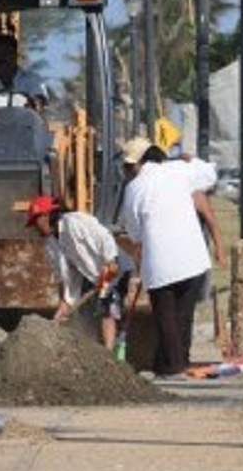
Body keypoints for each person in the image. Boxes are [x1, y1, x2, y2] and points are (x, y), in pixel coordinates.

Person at [119, 137, 218, 379]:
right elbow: (210, 175)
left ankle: (174, 366)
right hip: (192, 258)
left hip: (160, 263)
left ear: (140, 162)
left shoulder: (134, 189)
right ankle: (172, 363)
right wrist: (191, 159)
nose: (127, 170)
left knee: (166, 317)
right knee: (183, 314)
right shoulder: (179, 170)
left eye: (129, 166)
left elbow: (134, 232)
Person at [26, 196, 134, 352]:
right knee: (84, 313)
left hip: (113, 269)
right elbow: (64, 276)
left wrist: (111, 260)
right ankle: (88, 352)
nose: (35, 229)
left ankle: (108, 354)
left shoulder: (73, 222)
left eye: (35, 223)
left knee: (107, 306)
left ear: (45, 216)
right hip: (91, 274)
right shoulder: (51, 245)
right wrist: (65, 303)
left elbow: (104, 237)